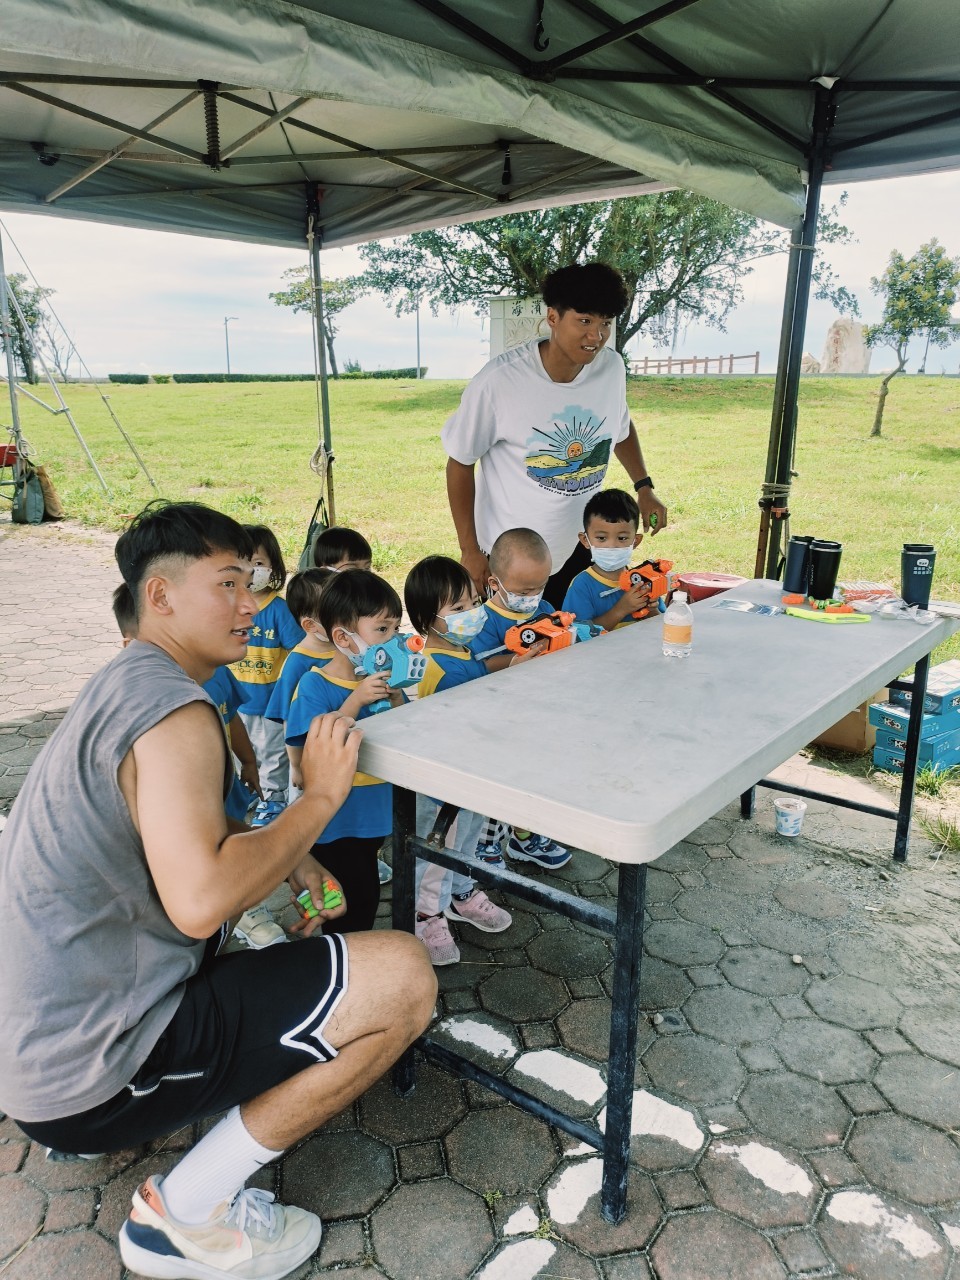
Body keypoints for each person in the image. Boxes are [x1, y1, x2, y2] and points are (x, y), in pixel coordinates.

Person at [0, 500, 436, 1280]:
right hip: (90, 1067)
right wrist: (317, 802)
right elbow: (200, 901)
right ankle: (185, 1214)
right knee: (403, 977)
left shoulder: (128, 682)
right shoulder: (174, 711)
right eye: (229, 584)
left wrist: (296, 863)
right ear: (159, 597)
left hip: (42, 1048)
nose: (252, 605)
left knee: (310, 953)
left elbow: (200, 828)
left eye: (255, 585)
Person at [442, 261, 668, 605]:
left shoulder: (611, 368)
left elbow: (619, 429)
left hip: (581, 544)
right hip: (514, 556)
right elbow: (460, 462)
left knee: (575, 639)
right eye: (585, 321)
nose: (596, 336)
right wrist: (469, 550)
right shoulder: (500, 381)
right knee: (519, 652)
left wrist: (644, 487)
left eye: (605, 323)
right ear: (553, 318)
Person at [403, 555, 519, 965]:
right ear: (427, 618)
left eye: (473, 602)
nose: (472, 613)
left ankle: (460, 892)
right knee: (438, 850)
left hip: (470, 771)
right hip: (441, 784)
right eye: (457, 609)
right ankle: (423, 914)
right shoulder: (435, 667)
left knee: (467, 838)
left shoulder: (461, 651)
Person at [285, 569, 405, 934]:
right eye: (382, 630)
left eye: (397, 629)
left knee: (362, 889)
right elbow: (308, 759)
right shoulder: (315, 685)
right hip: (337, 822)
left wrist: (399, 701)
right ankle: (344, 965)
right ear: (343, 637)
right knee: (354, 902)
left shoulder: (383, 682)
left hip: (374, 812)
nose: (394, 640)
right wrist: (354, 701)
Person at [470, 528, 571, 872]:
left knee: (534, 777)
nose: (533, 596)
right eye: (525, 589)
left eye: (540, 586)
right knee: (498, 783)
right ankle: (483, 846)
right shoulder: (481, 621)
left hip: (537, 713)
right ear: (494, 583)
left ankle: (526, 836)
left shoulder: (543, 608)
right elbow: (476, 665)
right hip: (495, 720)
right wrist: (515, 662)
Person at [230, 523, 305, 828]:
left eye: (258, 564)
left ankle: (273, 800)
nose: (251, 571)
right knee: (242, 754)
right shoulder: (230, 606)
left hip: (271, 705)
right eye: (243, 563)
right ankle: (249, 792)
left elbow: (299, 651)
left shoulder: (279, 610)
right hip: (237, 703)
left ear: (273, 565)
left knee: (273, 756)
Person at [562, 488, 654, 630]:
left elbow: (662, 623)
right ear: (585, 540)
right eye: (601, 538)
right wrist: (621, 610)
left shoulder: (643, 580)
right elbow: (578, 638)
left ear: (635, 541)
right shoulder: (581, 586)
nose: (612, 545)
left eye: (622, 538)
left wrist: (651, 608)